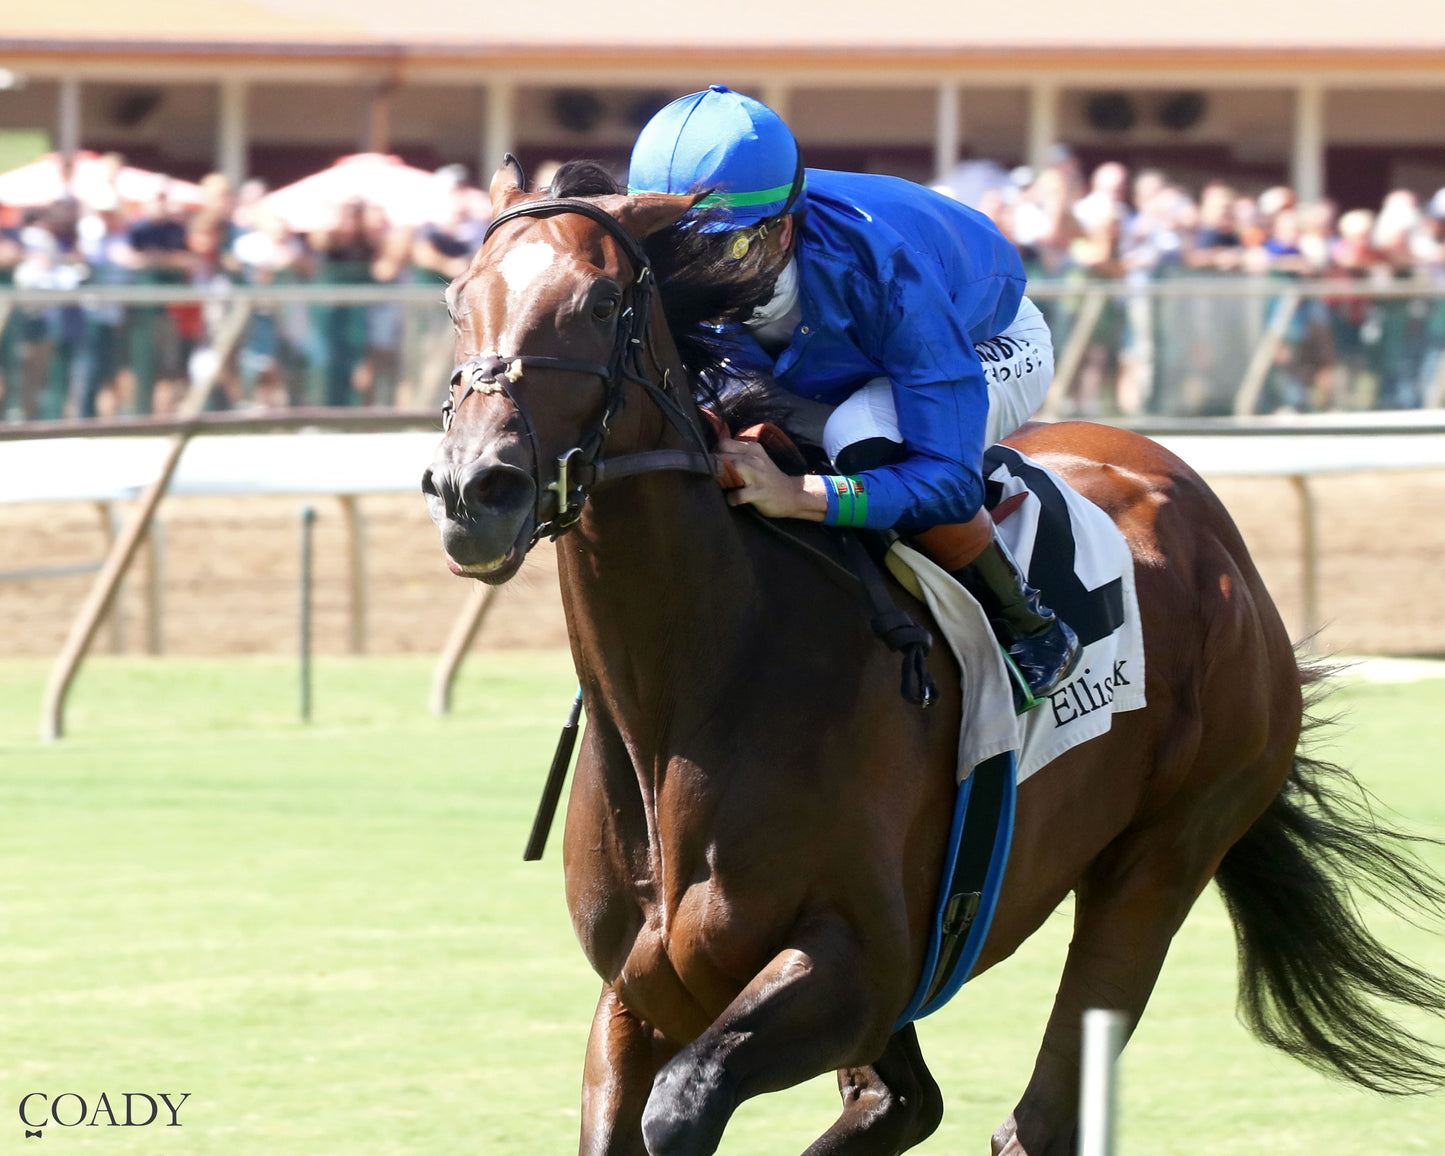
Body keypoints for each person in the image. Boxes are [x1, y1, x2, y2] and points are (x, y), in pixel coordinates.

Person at [627, 85, 1080, 707]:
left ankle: (1027, 624)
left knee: (859, 434)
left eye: (722, 249)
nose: (693, 278)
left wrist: (801, 495)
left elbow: (948, 481)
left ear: (782, 230)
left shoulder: (883, 271)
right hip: (832, 360)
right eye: (673, 249)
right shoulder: (699, 270)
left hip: (982, 336)